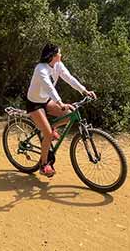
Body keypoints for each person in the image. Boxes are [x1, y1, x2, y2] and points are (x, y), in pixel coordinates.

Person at [26, 43, 96, 178]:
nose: (61, 55)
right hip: (34, 104)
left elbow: (69, 78)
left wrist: (84, 91)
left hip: (46, 100)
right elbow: (49, 88)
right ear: (52, 56)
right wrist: (60, 103)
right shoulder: (41, 69)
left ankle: (52, 128)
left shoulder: (58, 65)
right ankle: (43, 165)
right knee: (47, 134)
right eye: (59, 53)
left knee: (69, 115)